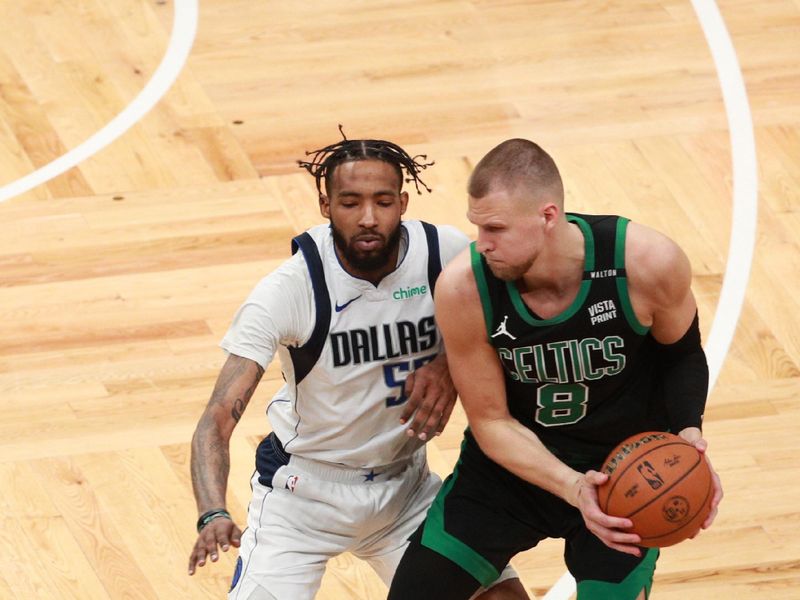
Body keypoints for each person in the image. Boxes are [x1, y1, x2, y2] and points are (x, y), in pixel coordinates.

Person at [187, 129, 528, 600]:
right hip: (302, 498)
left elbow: (514, 304)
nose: (368, 218)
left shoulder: (443, 255)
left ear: (403, 204)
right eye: (350, 203)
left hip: (405, 490)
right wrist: (213, 512)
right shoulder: (289, 291)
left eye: (383, 201)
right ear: (326, 206)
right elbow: (216, 418)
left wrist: (450, 363)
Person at [388, 138, 724, 600]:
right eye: (477, 227)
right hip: (510, 473)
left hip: (621, 474)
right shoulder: (465, 288)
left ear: (548, 216)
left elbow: (682, 355)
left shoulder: (645, 262)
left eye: (497, 229)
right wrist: (571, 486)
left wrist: (688, 434)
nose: (482, 244)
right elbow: (490, 421)